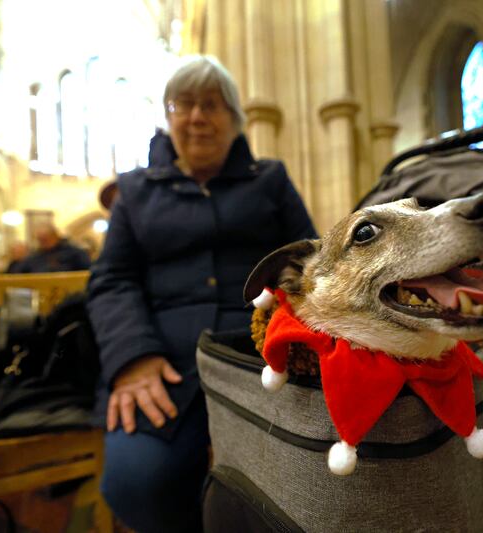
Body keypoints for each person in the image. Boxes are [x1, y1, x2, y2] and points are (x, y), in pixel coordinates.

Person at [87, 55, 316, 533]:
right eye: (182, 104)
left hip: (262, 356)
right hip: (161, 359)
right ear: (167, 118)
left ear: (234, 120)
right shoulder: (133, 191)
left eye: (211, 105)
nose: (195, 116)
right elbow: (112, 280)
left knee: (293, 477)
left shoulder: (269, 180)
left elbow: (310, 262)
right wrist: (131, 359)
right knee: (140, 484)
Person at [15, 223, 91, 273]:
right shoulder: (35, 256)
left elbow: (87, 271)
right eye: (40, 240)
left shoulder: (75, 253)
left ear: (55, 236)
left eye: (45, 239)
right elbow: (19, 273)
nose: (42, 242)